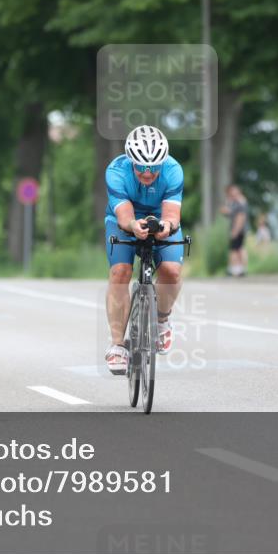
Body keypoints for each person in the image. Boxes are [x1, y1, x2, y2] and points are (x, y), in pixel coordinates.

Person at [104, 125, 185, 375]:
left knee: (171, 271)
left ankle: (161, 320)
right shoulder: (116, 171)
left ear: (163, 162)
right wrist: (132, 225)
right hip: (123, 220)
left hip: (160, 219)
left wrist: (166, 226)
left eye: (154, 167)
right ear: (131, 160)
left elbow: (172, 214)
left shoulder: (173, 170)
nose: (148, 173)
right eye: (141, 166)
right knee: (120, 271)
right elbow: (124, 215)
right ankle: (118, 345)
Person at [221, 184, 248, 276]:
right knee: (239, 248)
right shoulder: (239, 202)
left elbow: (240, 218)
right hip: (240, 229)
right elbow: (227, 212)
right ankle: (239, 268)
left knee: (235, 249)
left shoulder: (240, 203)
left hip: (238, 229)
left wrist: (235, 231)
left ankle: (237, 269)